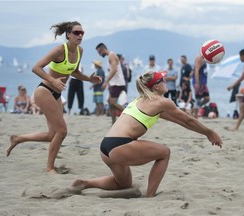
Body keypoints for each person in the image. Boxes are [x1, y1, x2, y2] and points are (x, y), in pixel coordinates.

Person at [70, 71, 222, 198]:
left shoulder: (140, 100)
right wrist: (209, 132)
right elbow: (188, 120)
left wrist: (204, 132)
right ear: (156, 86)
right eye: (163, 80)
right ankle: (150, 196)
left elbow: (181, 121)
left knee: (123, 184)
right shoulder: (161, 101)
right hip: (120, 145)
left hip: (105, 146)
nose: (166, 82)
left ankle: (85, 183)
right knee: (164, 153)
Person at [6, 21, 101, 173]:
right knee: (62, 131)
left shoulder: (79, 51)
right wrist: (52, 80)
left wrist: (89, 79)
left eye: (82, 33)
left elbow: (74, 72)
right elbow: (36, 67)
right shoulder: (59, 50)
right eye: (77, 32)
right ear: (68, 34)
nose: (80, 35)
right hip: (44, 91)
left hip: (56, 93)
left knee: (52, 135)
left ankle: (18, 138)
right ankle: (50, 168)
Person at [96, 43, 126, 124]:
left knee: (112, 103)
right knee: (110, 102)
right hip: (114, 84)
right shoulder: (110, 56)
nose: (99, 54)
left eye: (99, 52)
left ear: (102, 50)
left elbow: (114, 70)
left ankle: (129, 114)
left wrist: (106, 82)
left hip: (118, 83)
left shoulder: (111, 55)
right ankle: (113, 123)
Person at [192, 54, 210, 118]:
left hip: (203, 83)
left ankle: (194, 109)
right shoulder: (199, 58)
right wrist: (197, 83)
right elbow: (196, 70)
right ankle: (195, 116)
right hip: (199, 82)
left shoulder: (204, 59)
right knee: (198, 99)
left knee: (207, 99)